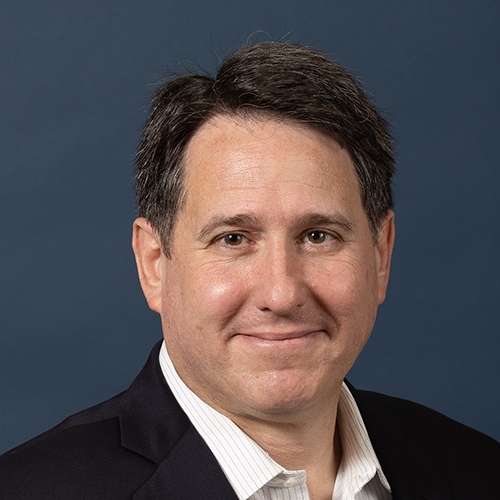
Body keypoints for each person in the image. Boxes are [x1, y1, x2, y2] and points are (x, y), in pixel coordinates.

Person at [1, 41, 498, 500]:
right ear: (155, 264)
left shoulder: (476, 469)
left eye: (319, 236)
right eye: (233, 239)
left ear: (380, 255)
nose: (282, 294)